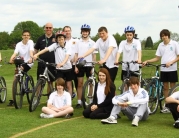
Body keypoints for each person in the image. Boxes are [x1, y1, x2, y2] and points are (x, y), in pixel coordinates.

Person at [143, 29, 179, 113]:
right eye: (162, 36)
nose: (164, 37)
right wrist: (148, 61)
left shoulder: (174, 44)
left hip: (172, 69)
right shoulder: (160, 45)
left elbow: (178, 56)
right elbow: (157, 58)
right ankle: (167, 105)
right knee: (165, 87)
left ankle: (174, 104)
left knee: (173, 88)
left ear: (168, 36)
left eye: (165, 35)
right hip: (163, 69)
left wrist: (171, 62)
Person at [33, 31, 73, 96]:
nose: (60, 41)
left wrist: (62, 63)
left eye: (62, 39)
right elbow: (46, 49)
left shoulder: (68, 46)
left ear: (64, 39)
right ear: (56, 40)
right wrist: (37, 54)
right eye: (59, 39)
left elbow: (67, 57)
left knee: (68, 85)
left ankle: (69, 100)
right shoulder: (55, 45)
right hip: (59, 69)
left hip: (67, 68)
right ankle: (59, 99)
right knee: (59, 85)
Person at [8, 30, 34, 106]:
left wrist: (31, 58)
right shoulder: (19, 44)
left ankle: (24, 87)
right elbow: (15, 53)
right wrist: (11, 59)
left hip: (28, 62)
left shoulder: (31, 42)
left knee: (21, 69)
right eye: (24, 35)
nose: (26, 36)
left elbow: (31, 51)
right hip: (20, 61)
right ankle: (13, 99)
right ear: (22, 36)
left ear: (29, 36)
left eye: (27, 35)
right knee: (15, 78)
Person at [74, 24, 97, 108]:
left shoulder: (93, 43)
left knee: (90, 83)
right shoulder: (78, 42)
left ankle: (90, 100)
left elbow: (94, 56)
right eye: (83, 31)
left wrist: (93, 66)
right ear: (81, 32)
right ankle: (79, 102)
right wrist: (76, 66)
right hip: (80, 65)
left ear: (89, 32)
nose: (85, 33)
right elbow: (76, 54)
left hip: (89, 65)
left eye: (86, 31)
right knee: (80, 84)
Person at [115, 26, 141, 90]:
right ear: (125, 35)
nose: (129, 36)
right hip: (125, 66)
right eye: (127, 35)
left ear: (133, 35)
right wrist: (116, 60)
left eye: (130, 35)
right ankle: (125, 98)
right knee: (125, 84)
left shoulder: (137, 42)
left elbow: (139, 51)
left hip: (134, 66)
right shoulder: (122, 43)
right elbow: (119, 52)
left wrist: (139, 59)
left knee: (134, 85)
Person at [34, 22, 56, 95]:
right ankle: (37, 98)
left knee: (50, 81)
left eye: (50, 28)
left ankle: (49, 98)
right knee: (40, 80)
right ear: (44, 28)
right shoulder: (40, 38)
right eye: (47, 28)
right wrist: (34, 56)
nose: (48, 29)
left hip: (52, 63)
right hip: (42, 63)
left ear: (52, 29)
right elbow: (36, 50)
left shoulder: (56, 38)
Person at [63, 26, 79, 98]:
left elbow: (77, 52)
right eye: (66, 31)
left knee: (76, 82)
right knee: (67, 82)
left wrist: (75, 62)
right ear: (63, 32)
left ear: (71, 31)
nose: (67, 32)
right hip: (65, 64)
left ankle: (80, 100)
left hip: (73, 64)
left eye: (68, 31)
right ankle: (69, 96)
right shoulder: (62, 41)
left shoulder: (76, 41)